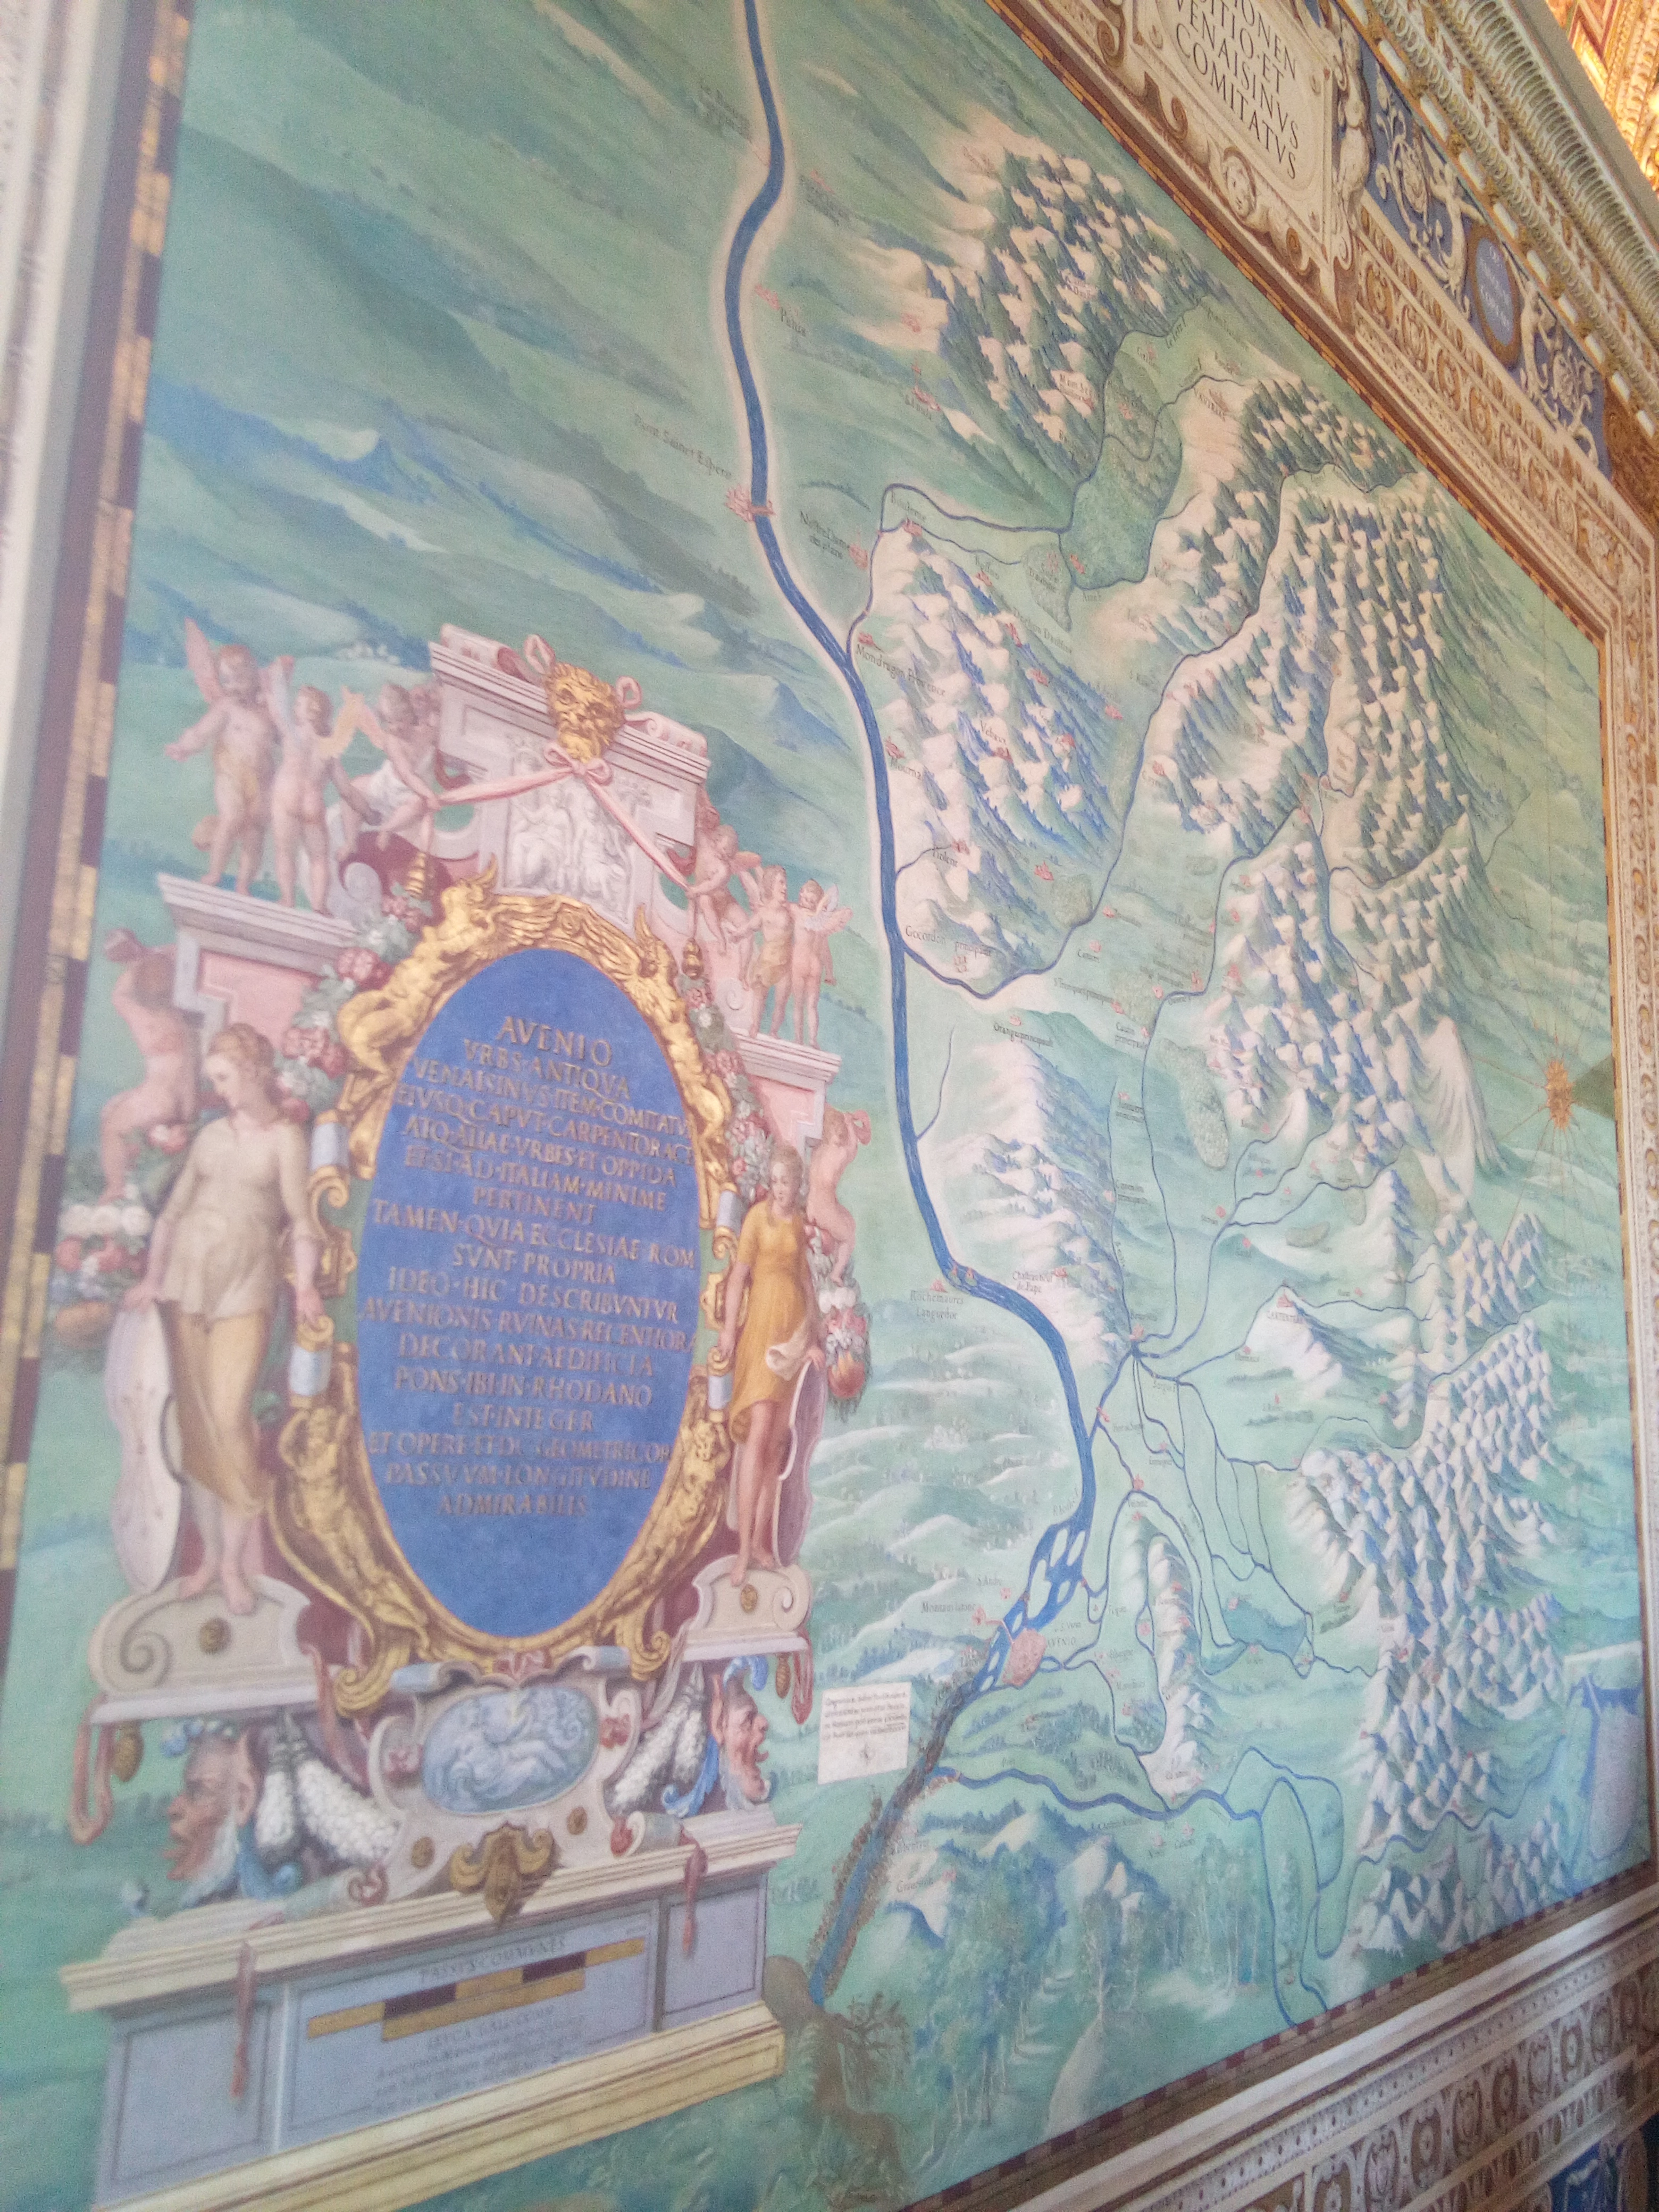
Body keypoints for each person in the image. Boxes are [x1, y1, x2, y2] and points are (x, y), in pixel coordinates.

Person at [124, 1023, 321, 1615]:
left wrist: (307, 1286)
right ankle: (214, 1558)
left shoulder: (285, 1140)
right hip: (187, 1287)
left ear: (256, 1072)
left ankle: (235, 1562)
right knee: (197, 1426)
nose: (221, 1090)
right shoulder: (211, 1136)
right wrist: (152, 1278)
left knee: (231, 1416)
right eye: (214, 1079)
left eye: (226, 1078)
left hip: (246, 1290)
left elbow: (301, 1221)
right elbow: (172, 1213)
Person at [717, 1143, 823, 1586]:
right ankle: (743, 1551)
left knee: (778, 1444)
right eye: (775, 1181)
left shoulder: (799, 1224)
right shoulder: (757, 1219)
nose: (780, 1189)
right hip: (762, 1334)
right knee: (759, 1435)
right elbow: (738, 1278)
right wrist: (728, 1330)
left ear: (797, 1185)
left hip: (792, 1338)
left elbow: (806, 1285)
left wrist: (813, 1341)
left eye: (787, 1182)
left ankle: (761, 1544)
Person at [167, 637, 280, 895]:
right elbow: (203, 731)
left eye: (239, 679)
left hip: (262, 780)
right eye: (226, 680)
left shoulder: (267, 712)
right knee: (232, 817)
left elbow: (284, 738)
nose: (232, 687)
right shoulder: (227, 707)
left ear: (254, 677)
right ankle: (215, 873)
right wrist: (184, 747)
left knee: (255, 831)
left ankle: (243, 884)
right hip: (231, 773)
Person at [98, 929, 198, 1200]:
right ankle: (135, 1178)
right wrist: (151, 953)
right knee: (112, 1108)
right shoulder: (184, 1020)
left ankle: (116, 1189)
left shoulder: (144, 1019)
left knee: (112, 1128)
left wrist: (136, 964)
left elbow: (119, 995)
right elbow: (179, 951)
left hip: (160, 1100)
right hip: (186, 1099)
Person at [270, 679, 372, 910]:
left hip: (286, 795)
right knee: (318, 859)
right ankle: (319, 905)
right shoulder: (328, 748)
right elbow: (346, 790)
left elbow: (276, 711)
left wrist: (271, 686)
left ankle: (287, 899)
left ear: (310, 714)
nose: (294, 708)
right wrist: (367, 812)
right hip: (312, 803)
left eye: (299, 705)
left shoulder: (292, 733)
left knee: (285, 852)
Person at [780, 879, 851, 1046]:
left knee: (798, 1004)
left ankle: (799, 1039)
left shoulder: (797, 912)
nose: (805, 902)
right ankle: (813, 1040)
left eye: (809, 901)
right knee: (812, 1006)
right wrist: (830, 974)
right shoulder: (821, 924)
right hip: (815, 966)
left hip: (800, 962)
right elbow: (826, 952)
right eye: (805, 898)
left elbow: (782, 904)